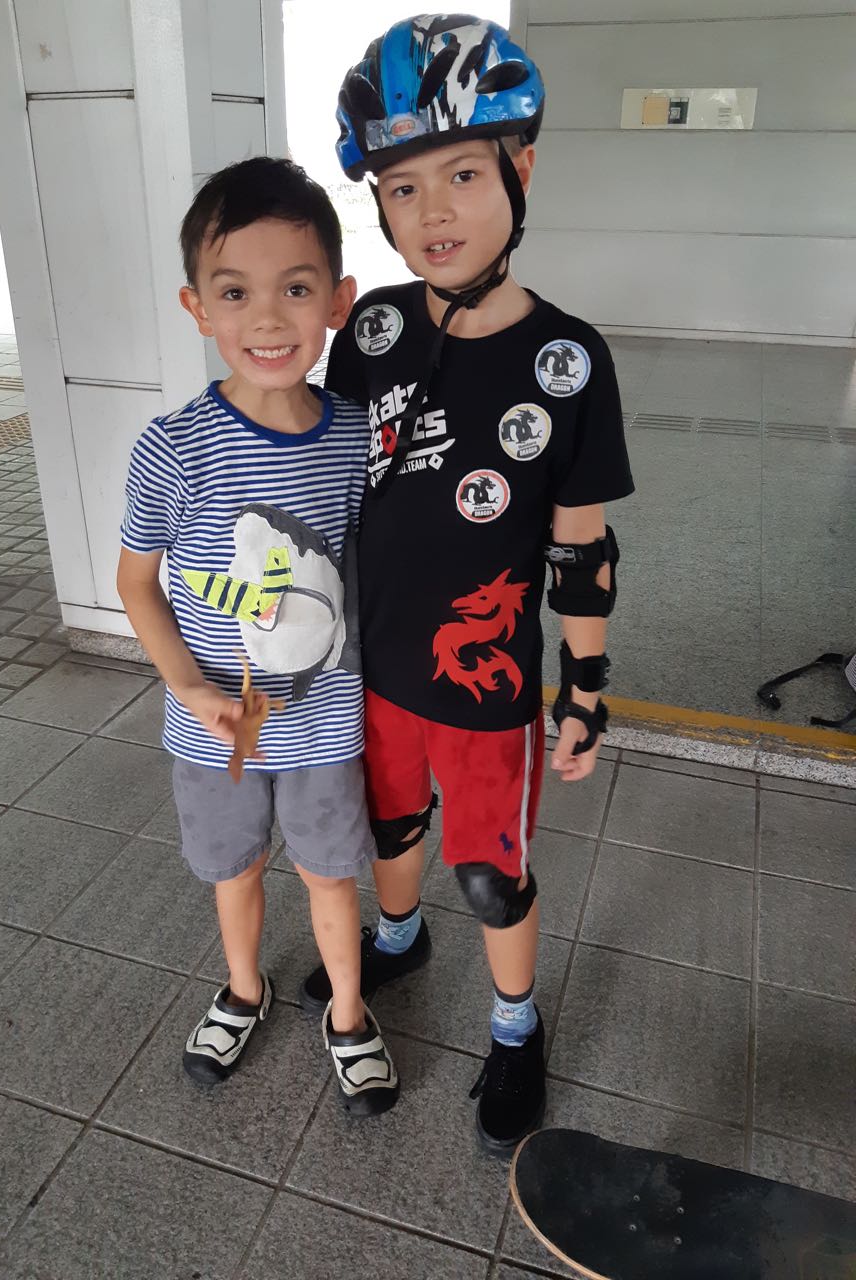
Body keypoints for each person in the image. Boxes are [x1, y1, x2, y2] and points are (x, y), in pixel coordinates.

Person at [299, 15, 634, 1153]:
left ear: (520, 169)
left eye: (462, 175)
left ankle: (515, 1025)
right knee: (388, 826)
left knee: (491, 875)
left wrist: (585, 686)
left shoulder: (569, 361)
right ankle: (399, 940)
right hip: (374, 666)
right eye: (402, 187)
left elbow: (580, 545)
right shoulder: (374, 329)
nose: (432, 211)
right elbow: (325, 471)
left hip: (486, 689)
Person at [117, 156, 399, 1115]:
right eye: (236, 292)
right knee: (233, 871)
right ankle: (244, 989)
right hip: (215, 732)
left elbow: (372, 568)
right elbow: (137, 584)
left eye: (297, 288)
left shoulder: (357, 434)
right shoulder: (172, 447)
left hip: (323, 724)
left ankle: (349, 1011)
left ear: (338, 301)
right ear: (198, 307)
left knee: (331, 874)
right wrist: (191, 688)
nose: (269, 318)